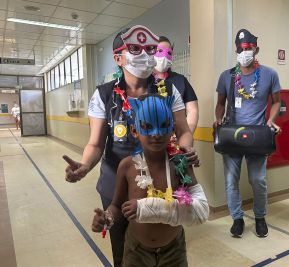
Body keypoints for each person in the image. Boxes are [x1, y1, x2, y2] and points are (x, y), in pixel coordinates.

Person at [63, 25, 198, 267]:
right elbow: (96, 143)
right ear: (118, 58)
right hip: (117, 186)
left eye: (150, 49)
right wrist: (84, 166)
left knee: (167, 239)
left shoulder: (168, 92)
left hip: (162, 182)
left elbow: (184, 131)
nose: (145, 55)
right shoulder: (104, 95)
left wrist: (185, 150)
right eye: (135, 49)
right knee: (122, 252)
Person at [91, 94, 209, 267]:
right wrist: (107, 217)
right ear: (134, 130)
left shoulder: (180, 163)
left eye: (164, 126)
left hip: (174, 250)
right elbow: (116, 205)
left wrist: (154, 208)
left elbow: (200, 209)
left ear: (172, 129)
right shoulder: (127, 167)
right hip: (136, 250)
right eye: (147, 126)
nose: (156, 134)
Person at [213, 29, 281, 238]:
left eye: (249, 48)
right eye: (240, 49)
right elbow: (220, 104)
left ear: (256, 49)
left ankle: (260, 217)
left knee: (258, 180)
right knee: (230, 180)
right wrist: (218, 118)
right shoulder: (228, 76)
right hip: (231, 136)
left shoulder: (270, 74)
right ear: (236, 50)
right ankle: (237, 218)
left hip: (257, 136)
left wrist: (271, 120)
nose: (244, 52)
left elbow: (277, 101)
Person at [153, 36, 199, 133]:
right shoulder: (144, 80)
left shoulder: (180, 80)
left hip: (175, 136)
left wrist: (186, 135)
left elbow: (192, 110)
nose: (164, 57)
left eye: (169, 53)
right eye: (160, 51)